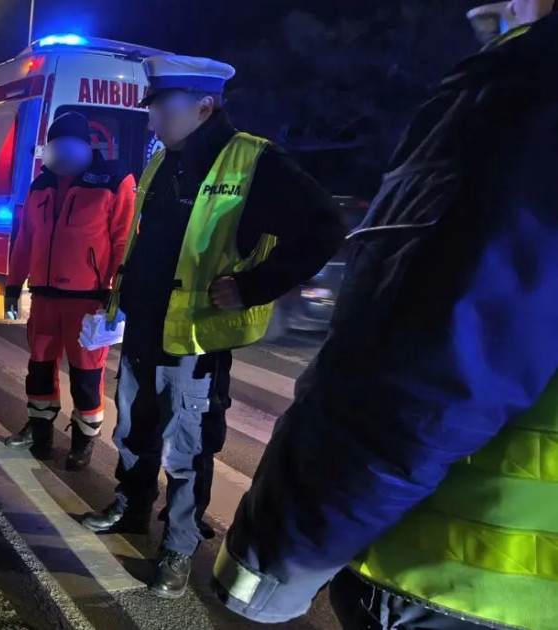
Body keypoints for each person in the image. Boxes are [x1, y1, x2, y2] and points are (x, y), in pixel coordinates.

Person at [213, 5, 558, 629]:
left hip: (458, 587)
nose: (484, 11)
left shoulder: (527, 91)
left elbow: (423, 371)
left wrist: (276, 556)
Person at [80, 54, 347, 599]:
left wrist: (253, 287)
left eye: (160, 107)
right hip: (144, 328)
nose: (151, 120)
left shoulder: (253, 161)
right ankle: (132, 508)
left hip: (196, 339)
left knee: (187, 445)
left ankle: (178, 547)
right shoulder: (164, 161)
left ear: (204, 106)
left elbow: (324, 229)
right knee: (133, 429)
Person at [2, 112, 135, 471]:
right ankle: (40, 432)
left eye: (66, 146)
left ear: (85, 145)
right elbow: (26, 239)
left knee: (86, 376)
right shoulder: (40, 185)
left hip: (89, 300)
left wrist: (116, 290)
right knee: (40, 370)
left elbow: (123, 239)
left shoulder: (113, 180)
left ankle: (83, 442)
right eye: (54, 146)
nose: (59, 154)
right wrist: (13, 285)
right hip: (44, 297)